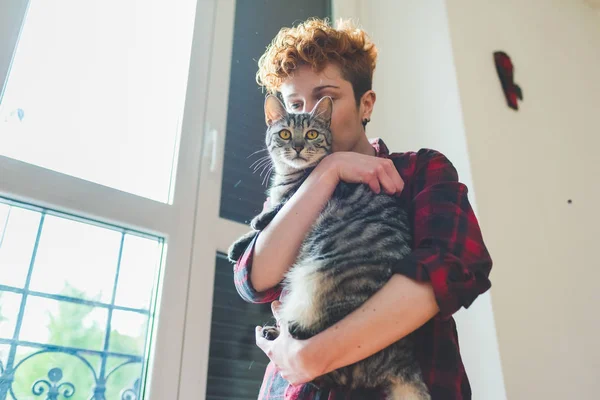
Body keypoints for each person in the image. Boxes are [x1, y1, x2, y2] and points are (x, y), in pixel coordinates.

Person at [233, 18, 492, 400]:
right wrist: (328, 171)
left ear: (365, 103)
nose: (307, 117)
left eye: (327, 98)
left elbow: (450, 266)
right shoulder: (293, 193)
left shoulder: (420, 170)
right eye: (294, 105)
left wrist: (312, 356)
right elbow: (253, 280)